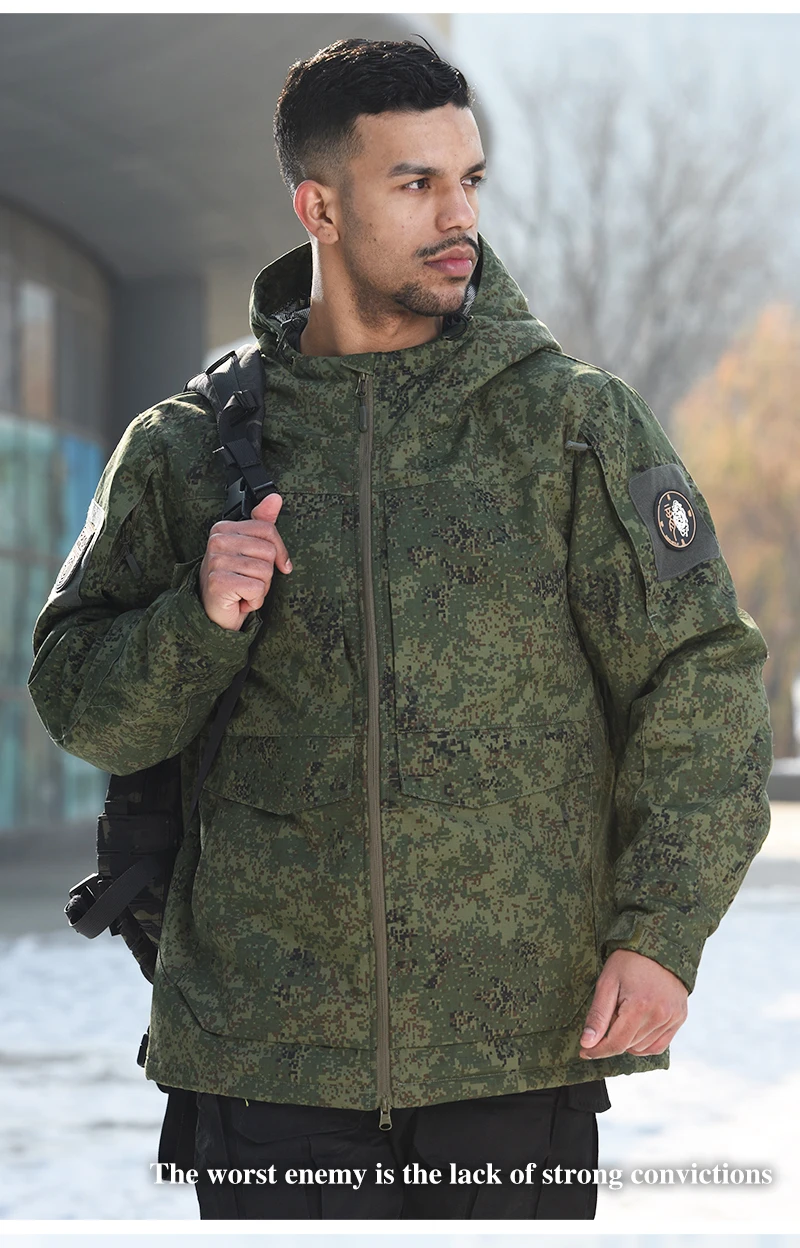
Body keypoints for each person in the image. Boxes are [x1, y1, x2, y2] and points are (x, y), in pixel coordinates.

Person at [28, 38, 772, 1221]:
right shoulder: (183, 449)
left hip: (512, 1051)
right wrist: (196, 619)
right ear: (318, 207)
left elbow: (700, 679)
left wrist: (660, 930)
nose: (456, 214)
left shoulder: (569, 426)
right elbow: (80, 702)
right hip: (264, 1056)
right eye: (414, 182)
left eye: (467, 180)